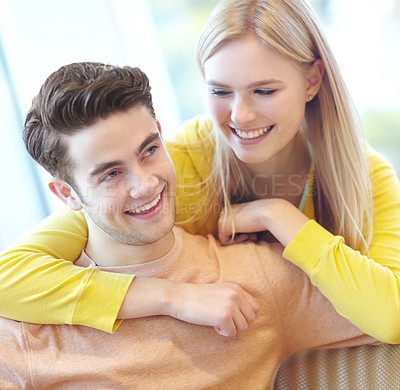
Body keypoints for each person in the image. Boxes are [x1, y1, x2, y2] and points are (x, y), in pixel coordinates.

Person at [1, 0, 400, 342]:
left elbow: (391, 317)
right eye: (220, 91)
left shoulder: (364, 176)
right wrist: (170, 296)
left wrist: (276, 215)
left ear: (312, 81)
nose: (240, 115)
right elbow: (10, 278)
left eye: (264, 91)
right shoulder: (176, 163)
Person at [0, 61, 378, 389]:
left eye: (149, 151)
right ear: (66, 194)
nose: (145, 184)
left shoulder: (258, 279)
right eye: (111, 174)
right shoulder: (28, 327)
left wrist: (276, 214)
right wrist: (171, 297)